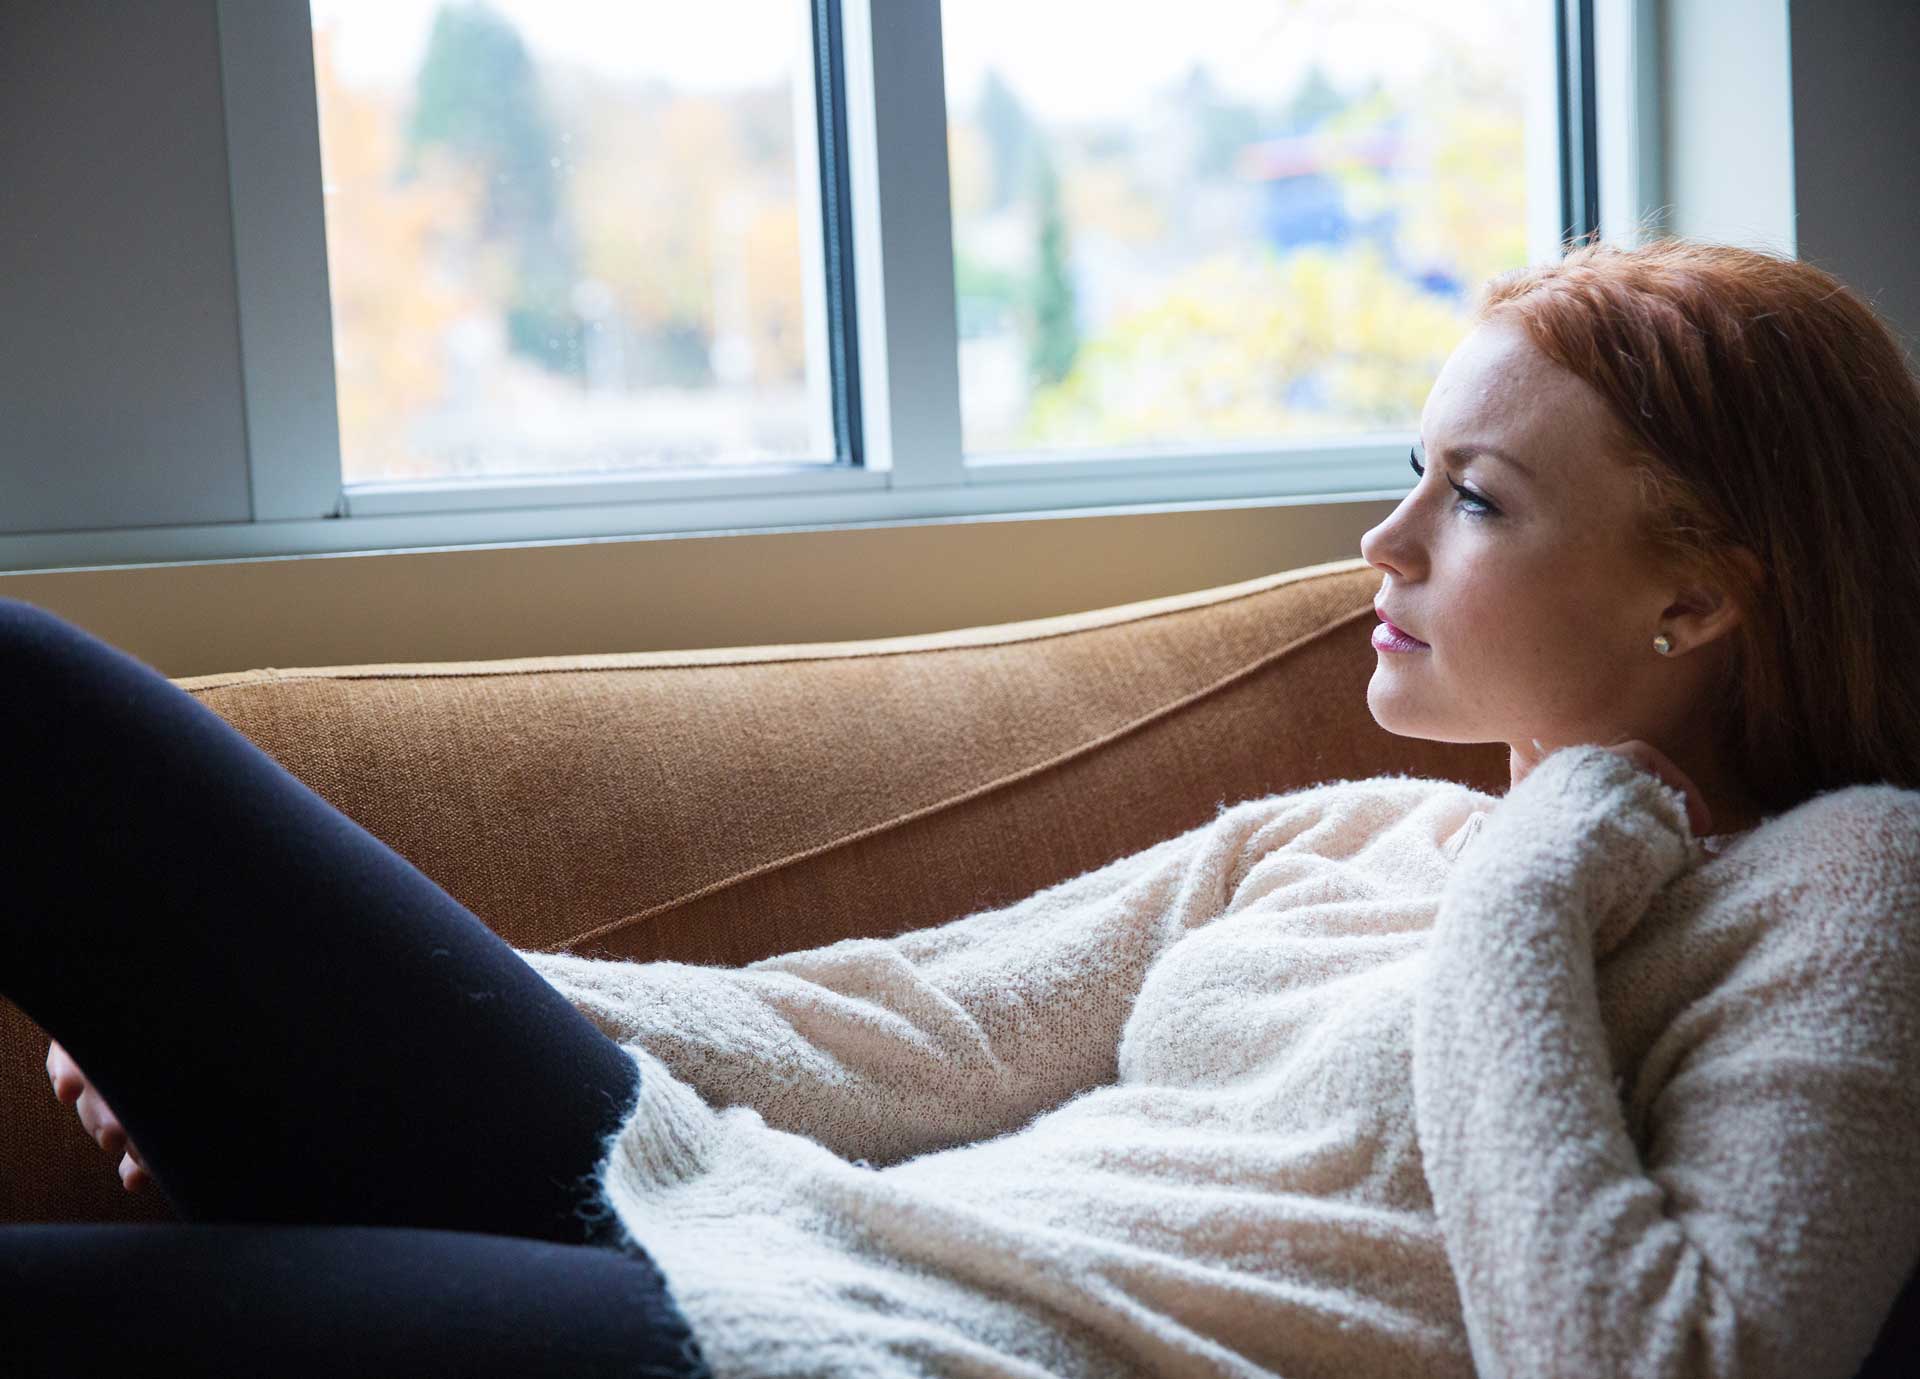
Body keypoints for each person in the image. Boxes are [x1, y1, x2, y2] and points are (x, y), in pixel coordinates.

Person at [9, 233, 1920, 1379]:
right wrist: (334, 1022)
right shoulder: (1336, 836)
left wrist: (1524, 896)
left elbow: (1660, 1361)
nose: (1386, 540)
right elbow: (894, 1031)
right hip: (745, 1219)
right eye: (1406, 472)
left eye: (1479, 501)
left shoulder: (1845, 893)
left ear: (1698, 598)